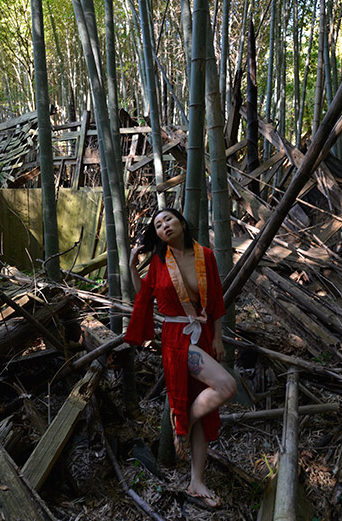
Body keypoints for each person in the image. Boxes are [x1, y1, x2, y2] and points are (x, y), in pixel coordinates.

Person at [124, 208, 236, 508]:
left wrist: (217, 337)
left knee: (202, 406)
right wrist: (132, 267)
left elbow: (216, 299)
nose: (164, 226)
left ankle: (196, 481)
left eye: (168, 220)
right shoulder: (159, 262)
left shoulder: (206, 256)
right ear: (158, 235)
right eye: (158, 225)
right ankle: (182, 423)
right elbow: (144, 295)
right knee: (226, 386)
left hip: (203, 334)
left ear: (182, 223)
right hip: (176, 339)